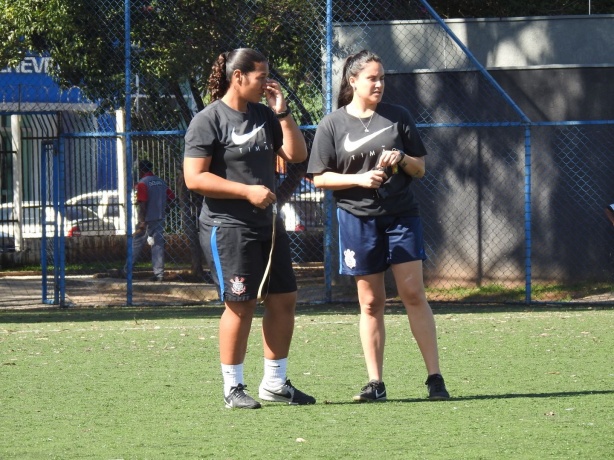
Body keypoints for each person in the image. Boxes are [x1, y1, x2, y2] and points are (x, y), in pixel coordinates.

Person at [307, 49, 450, 402]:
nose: (379, 84)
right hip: (357, 219)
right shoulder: (333, 124)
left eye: (382, 78)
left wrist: (401, 159)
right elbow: (319, 179)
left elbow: (421, 169)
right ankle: (375, 383)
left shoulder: (398, 117)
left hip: (401, 216)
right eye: (372, 78)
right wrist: (358, 180)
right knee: (371, 303)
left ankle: (435, 378)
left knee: (413, 293)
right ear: (352, 80)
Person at [183, 48, 316, 409]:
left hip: (267, 225)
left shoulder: (263, 114)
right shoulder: (208, 120)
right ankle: (232, 388)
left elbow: (297, 155)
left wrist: (282, 112)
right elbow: (194, 178)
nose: (267, 82)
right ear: (237, 76)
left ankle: (274, 382)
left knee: (284, 299)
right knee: (240, 304)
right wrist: (246, 191)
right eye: (261, 76)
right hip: (227, 226)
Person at [125, 159, 175, 281]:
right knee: (158, 245)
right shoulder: (161, 182)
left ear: (141, 170)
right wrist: (164, 208)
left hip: (147, 219)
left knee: (136, 243)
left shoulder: (143, 183)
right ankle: (159, 274)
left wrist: (142, 221)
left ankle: (127, 270)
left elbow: (143, 203)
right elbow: (172, 198)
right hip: (159, 217)